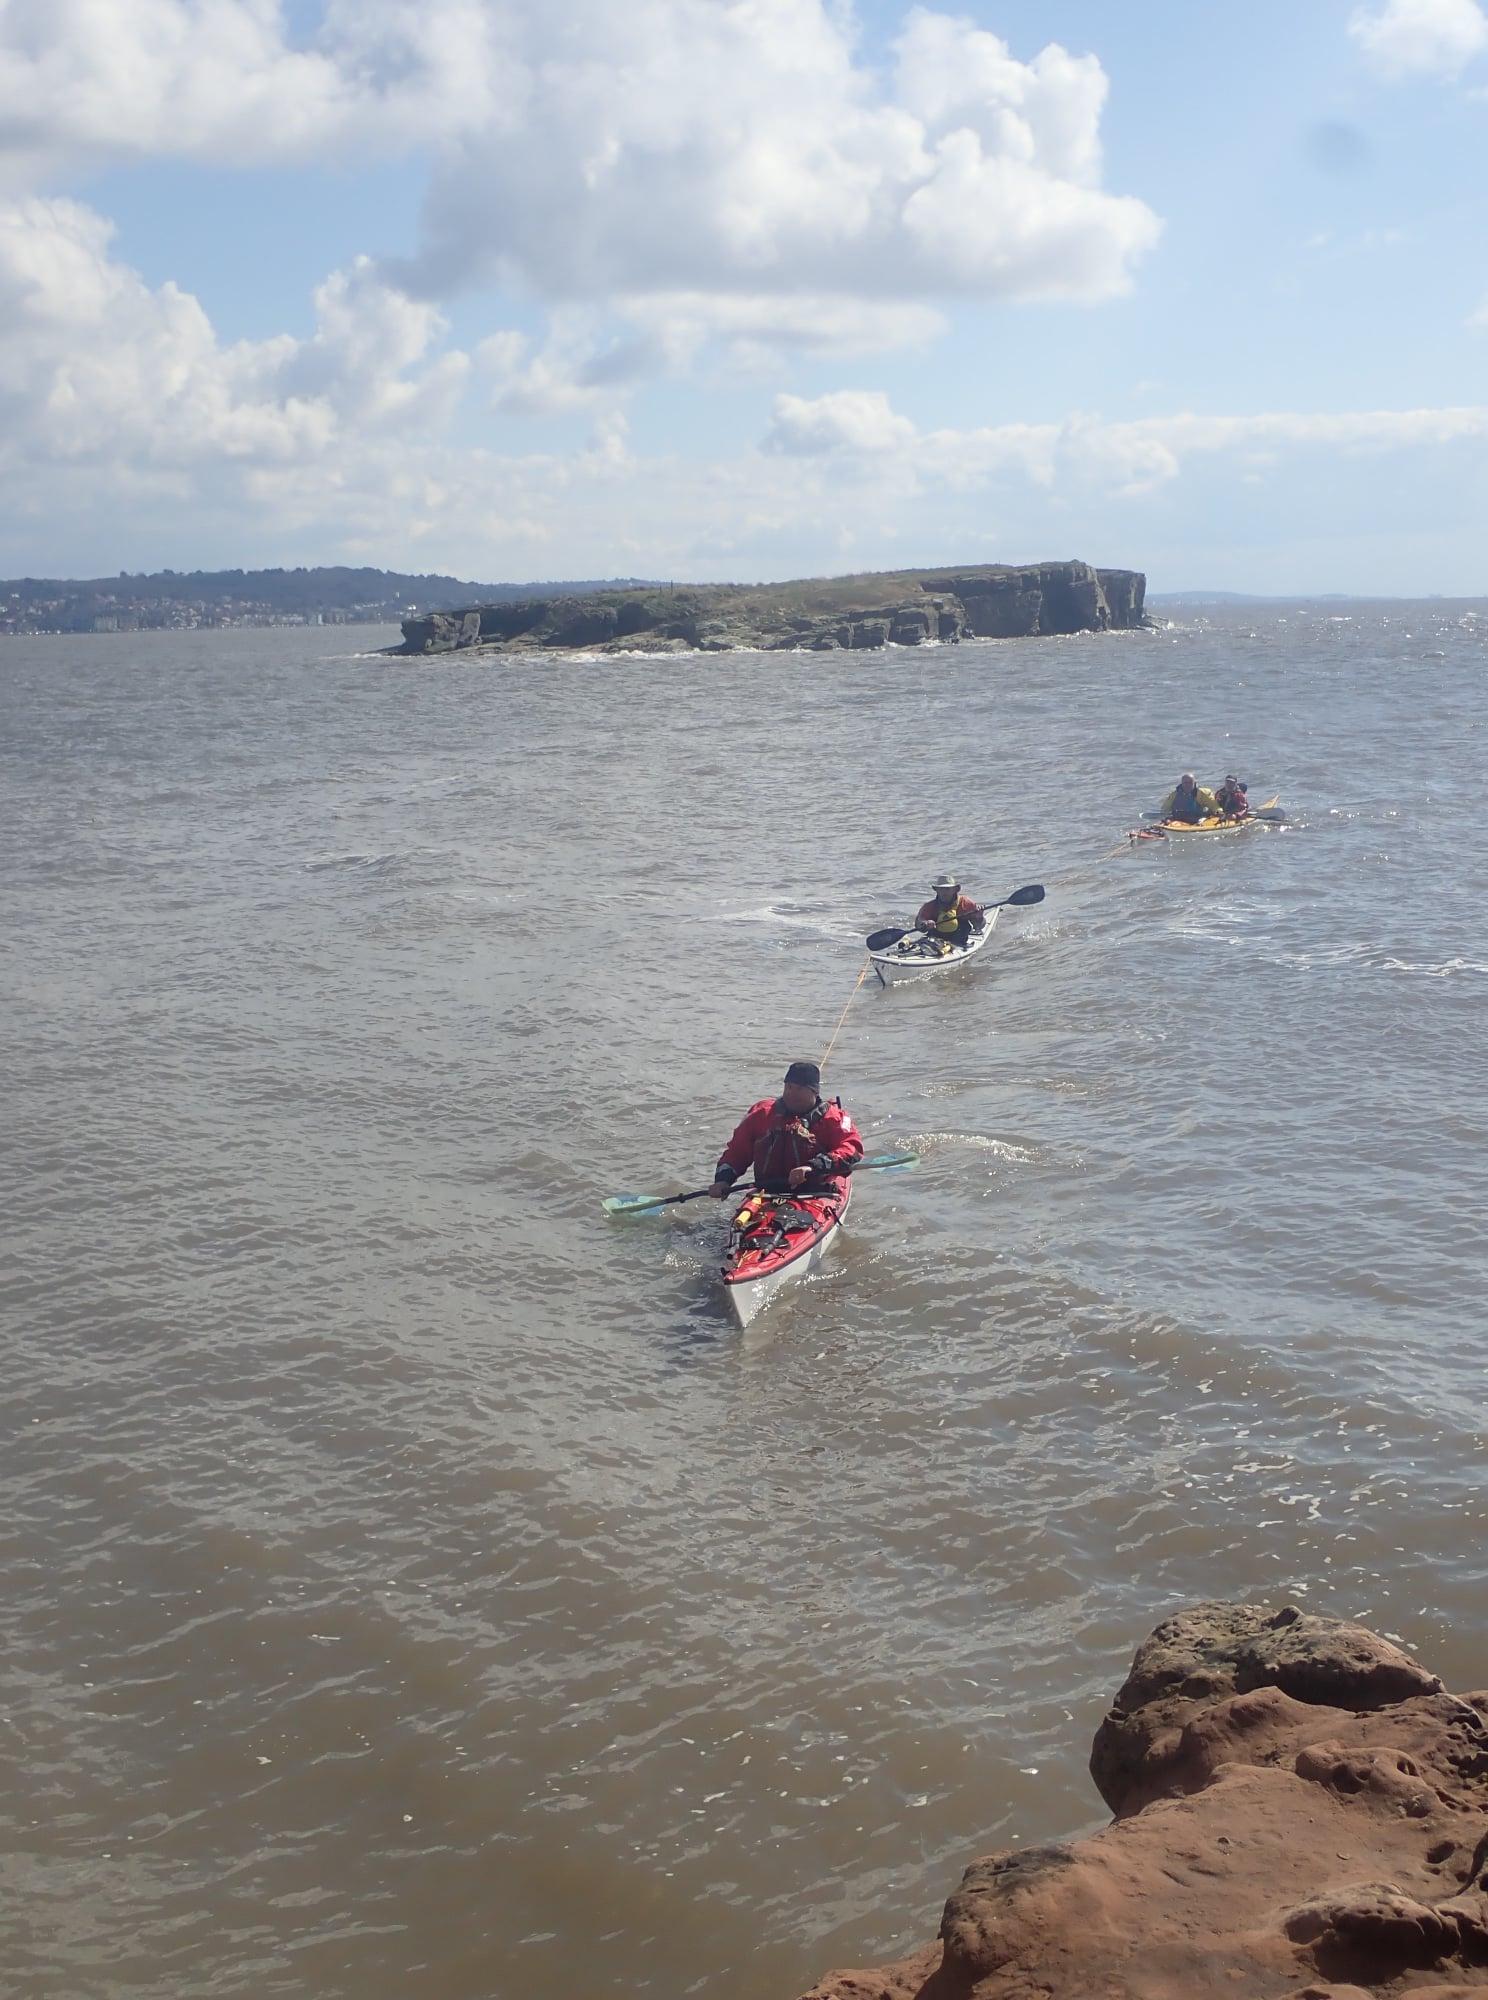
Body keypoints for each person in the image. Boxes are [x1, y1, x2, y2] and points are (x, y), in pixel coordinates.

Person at [707, 1061, 864, 1198]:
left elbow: (852, 1149)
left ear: (814, 1092)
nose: (791, 1093)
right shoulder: (761, 1113)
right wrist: (723, 1180)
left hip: (816, 1191)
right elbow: (737, 1152)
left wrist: (812, 1166)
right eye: (789, 1087)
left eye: (799, 1089)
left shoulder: (835, 1118)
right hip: (767, 1191)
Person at [914, 875, 986, 950]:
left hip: (959, 941)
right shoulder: (929, 906)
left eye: (947, 889)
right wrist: (925, 923)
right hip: (936, 941)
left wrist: (979, 917)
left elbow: (978, 927)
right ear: (937, 890)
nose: (944, 892)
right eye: (941, 889)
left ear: (955, 890)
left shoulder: (966, 903)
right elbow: (919, 925)